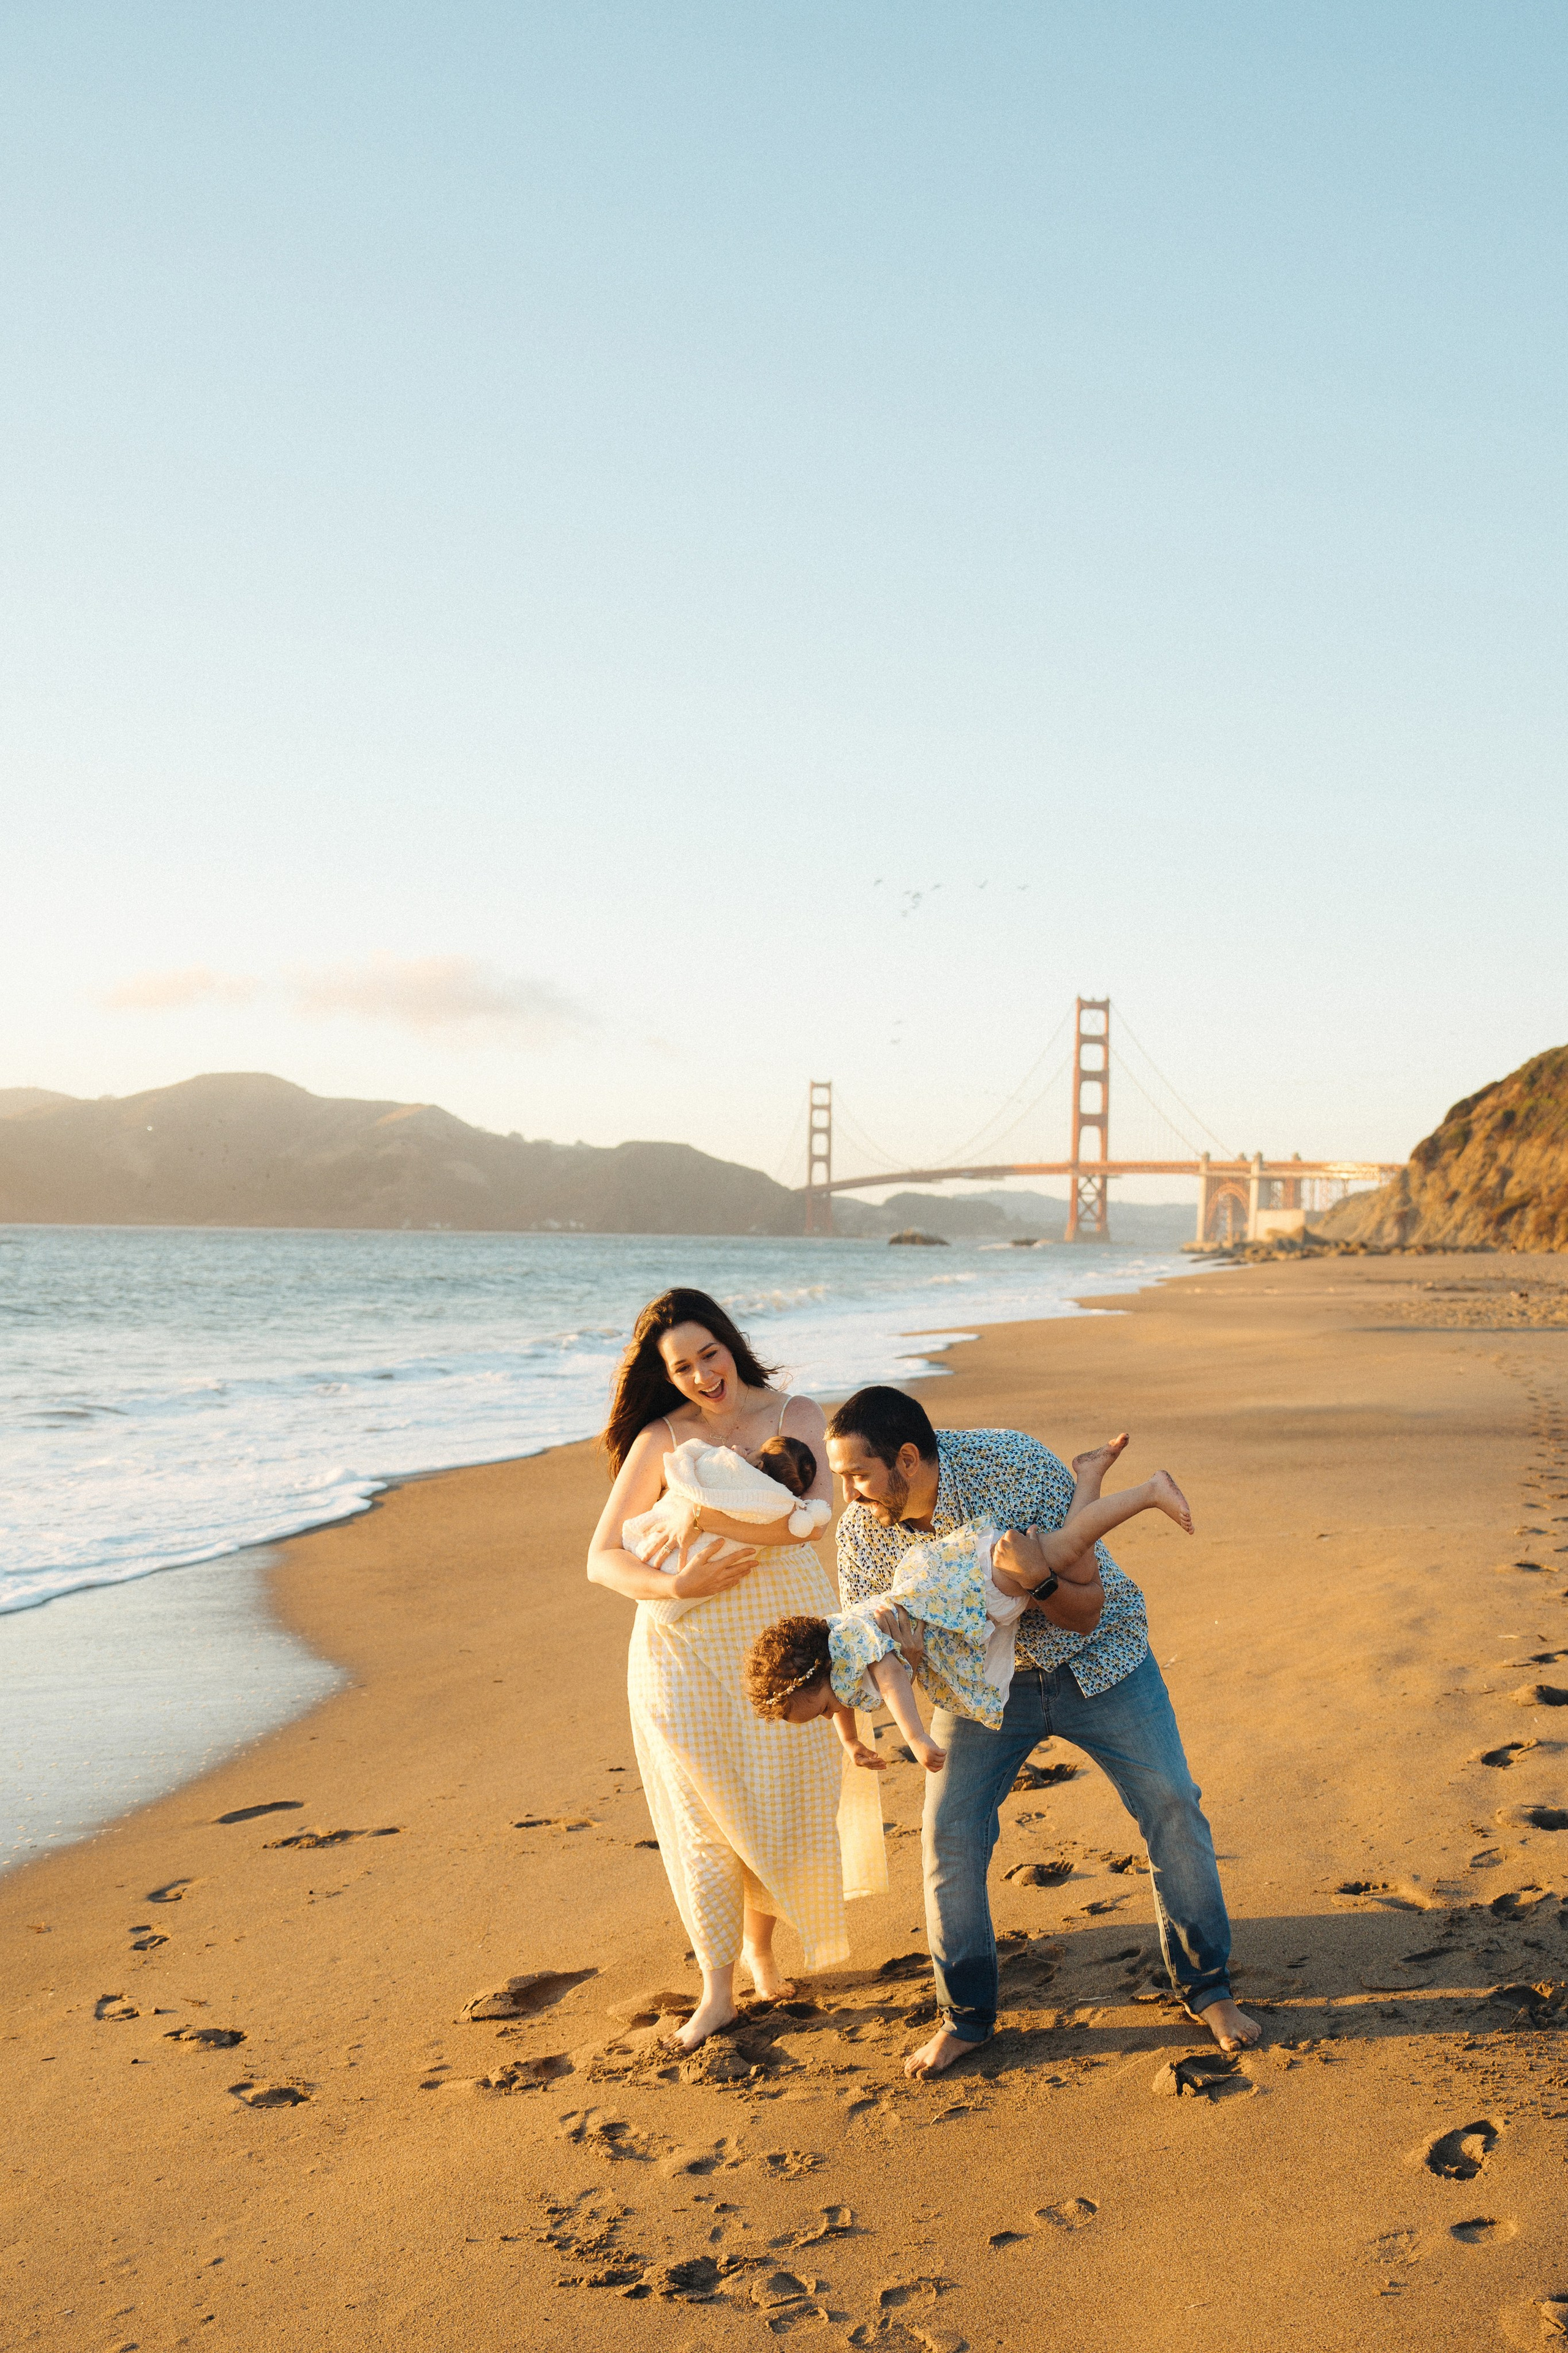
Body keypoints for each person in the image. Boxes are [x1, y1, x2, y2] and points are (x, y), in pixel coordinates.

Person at [824, 1384, 1260, 2076]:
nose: (846, 1494)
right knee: (948, 1838)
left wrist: (1040, 1582)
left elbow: (1086, 1611)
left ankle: (1208, 1987)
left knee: (1173, 1803)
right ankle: (965, 2016)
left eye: (856, 1475)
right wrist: (906, 1657)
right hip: (982, 1697)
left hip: (1098, 1659)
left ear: (906, 1458)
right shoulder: (860, 1536)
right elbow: (884, 1657)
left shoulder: (1014, 1466)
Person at [586, 1290, 885, 2050]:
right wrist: (676, 1584)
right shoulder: (660, 1436)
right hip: (679, 1644)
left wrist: (700, 1517)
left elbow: (810, 1522)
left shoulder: (798, 1417)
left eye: (708, 1354)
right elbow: (603, 1557)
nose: (699, 1375)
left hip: (781, 1642)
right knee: (701, 1815)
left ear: (730, 1342)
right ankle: (716, 1989)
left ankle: (761, 1946)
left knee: (781, 1798)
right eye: (681, 1367)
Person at [745, 1438, 1193, 1764]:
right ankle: (1091, 1475)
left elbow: (888, 1676)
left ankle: (1149, 1491)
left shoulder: (847, 1646)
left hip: (969, 1586)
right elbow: (842, 1703)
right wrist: (850, 1742)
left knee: (1069, 1549)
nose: (830, 1716)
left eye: (813, 1710)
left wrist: (916, 1735)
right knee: (1071, 1560)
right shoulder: (834, 1665)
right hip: (965, 1600)